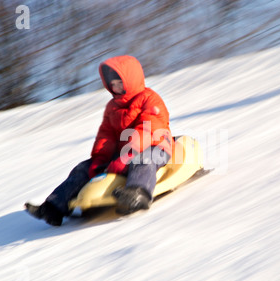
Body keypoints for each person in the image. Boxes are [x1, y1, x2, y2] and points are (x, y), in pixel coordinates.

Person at [31, 55, 173, 226]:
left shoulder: (149, 99)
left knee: (144, 160)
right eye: (112, 84)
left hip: (155, 147)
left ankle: (138, 194)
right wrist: (99, 159)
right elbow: (106, 135)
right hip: (123, 153)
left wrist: (127, 155)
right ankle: (53, 207)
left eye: (119, 82)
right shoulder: (112, 107)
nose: (115, 87)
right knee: (83, 168)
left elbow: (147, 130)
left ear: (131, 80)